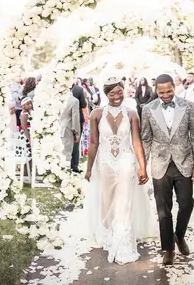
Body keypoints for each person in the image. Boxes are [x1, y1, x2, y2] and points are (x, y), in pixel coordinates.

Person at [83, 78, 153, 265]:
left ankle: (124, 244)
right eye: (112, 93)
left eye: (119, 92)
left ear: (124, 91)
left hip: (126, 162)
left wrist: (142, 166)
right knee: (107, 202)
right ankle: (109, 235)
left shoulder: (132, 114)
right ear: (106, 94)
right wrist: (89, 168)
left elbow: (136, 142)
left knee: (125, 203)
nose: (117, 96)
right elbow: (93, 143)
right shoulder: (96, 114)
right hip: (104, 162)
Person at [141, 74, 194, 266]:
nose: (166, 94)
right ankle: (168, 248)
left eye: (169, 91)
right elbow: (146, 138)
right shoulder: (148, 109)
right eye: (161, 92)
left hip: (184, 162)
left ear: (173, 88)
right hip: (160, 165)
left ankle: (180, 235)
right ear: (156, 90)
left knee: (186, 204)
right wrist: (142, 166)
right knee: (163, 210)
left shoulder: (188, 106)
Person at [59, 90, 81, 169]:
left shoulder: (57, 98)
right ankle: (65, 175)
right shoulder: (74, 101)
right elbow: (75, 119)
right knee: (67, 155)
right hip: (67, 130)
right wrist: (77, 133)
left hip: (56, 128)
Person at [71, 84, 88, 172]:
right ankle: (74, 166)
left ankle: (66, 164)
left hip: (65, 120)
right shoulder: (78, 90)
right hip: (77, 119)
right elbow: (84, 105)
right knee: (76, 143)